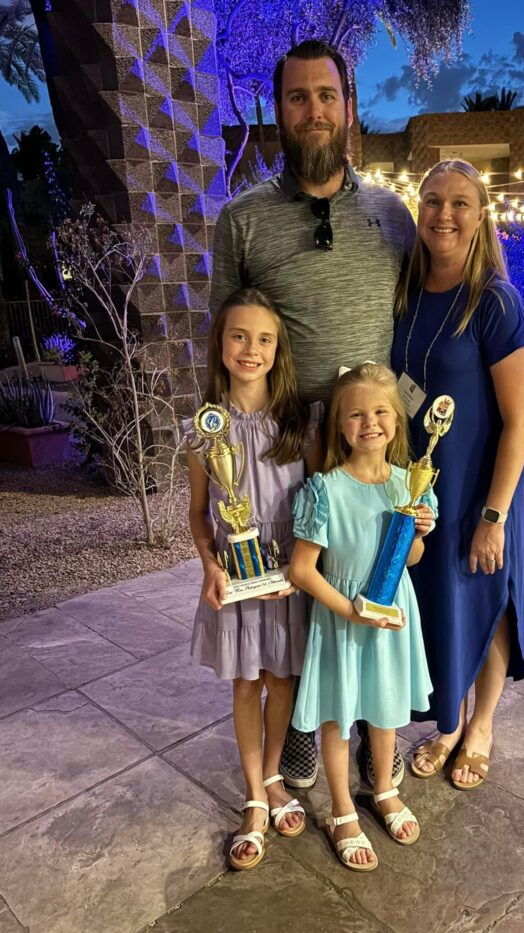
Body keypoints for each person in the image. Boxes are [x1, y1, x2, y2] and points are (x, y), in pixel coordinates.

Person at [209, 38, 415, 789]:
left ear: (349, 106)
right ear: (280, 111)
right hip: (287, 449)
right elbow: (224, 338)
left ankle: (370, 729)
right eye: (299, 97)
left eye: (327, 96)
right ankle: (303, 729)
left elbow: (411, 326)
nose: (314, 111)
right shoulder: (243, 220)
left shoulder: (393, 216)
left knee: (369, 577)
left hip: (370, 445)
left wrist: (408, 430)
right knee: (300, 594)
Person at [391, 160, 524, 791]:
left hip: (481, 484)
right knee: (441, 603)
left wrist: (494, 514)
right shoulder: (405, 291)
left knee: (487, 595)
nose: (442, 215)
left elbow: (522, 422)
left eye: (458, 203)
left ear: (481, 217)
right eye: (431, 201)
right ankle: (448, 723)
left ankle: (480, 728)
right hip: (425, 486)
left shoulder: (496, 302)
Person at [185, 287, 323, 871]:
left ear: (278, 349)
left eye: (264, 339)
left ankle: (273, 779)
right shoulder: (202, 431)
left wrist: (304, 566)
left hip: (288, 577)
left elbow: (319, 502)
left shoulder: (301, 421)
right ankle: (254, 797)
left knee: (281, 683)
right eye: (239, 336)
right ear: (219, 344)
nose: (251, 349)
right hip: (236, 583)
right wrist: (211, 565)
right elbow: (198, 514)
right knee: (246, 683)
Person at [288, 364, 436, 871]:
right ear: (340, 425)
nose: (369, 422)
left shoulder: (410, 485)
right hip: (342, 619)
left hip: (392, 614)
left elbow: (412, 559)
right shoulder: (325, 490)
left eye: (379, 412)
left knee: (386, 703)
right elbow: (303, 570)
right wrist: (350, 609)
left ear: (396, 420)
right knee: (338, 714)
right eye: (356, 414)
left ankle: (383, 788)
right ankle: (341, 808)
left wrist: (416, 532)